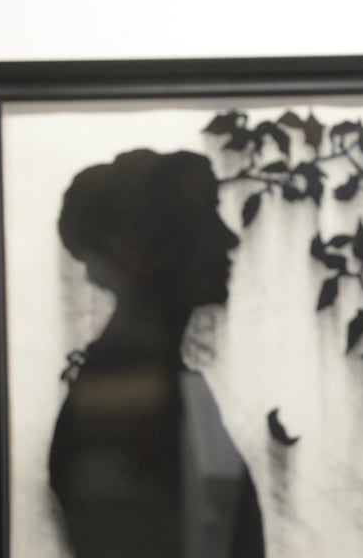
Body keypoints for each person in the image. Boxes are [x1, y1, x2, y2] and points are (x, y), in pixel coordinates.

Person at [49, 149, 266, 557]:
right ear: (146, 250)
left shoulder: (166, 379)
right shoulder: (120, 399)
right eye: (203, 219)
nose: (229, 238)